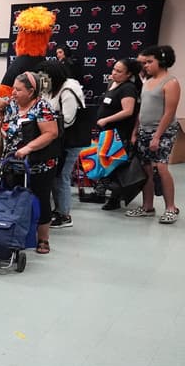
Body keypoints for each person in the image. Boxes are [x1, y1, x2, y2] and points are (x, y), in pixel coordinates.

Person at [0, 71, 61, 254]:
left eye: (18, 90)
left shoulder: (42, 107)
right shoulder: (11, 104)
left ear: (31, 91)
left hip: (39, 163)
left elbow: (51, 133)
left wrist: (29, 148)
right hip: (13, 162)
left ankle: (43, 239)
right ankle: (13, 233)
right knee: (12, 197)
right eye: (13, 89)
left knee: (40, 198)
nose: (14, 93)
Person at [126, 45, 180, 224]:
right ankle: (147, 206)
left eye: (150, 62)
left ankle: (171, 208)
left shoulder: (171, 82)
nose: (146, 66)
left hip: (163, 132)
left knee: (161, 168)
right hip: (144, 130)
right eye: (144, 62)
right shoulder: (147, 82)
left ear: (162, 61)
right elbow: (142, 110)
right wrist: (135, 131)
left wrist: (157, 136)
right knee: (146, 169)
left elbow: (169, 113)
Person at [38, 61, 88, 229]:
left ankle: (64, 214)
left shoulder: (68, 90)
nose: (42, 80)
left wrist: (46, 125)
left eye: (44, 76)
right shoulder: (50, 90)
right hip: (57, 140)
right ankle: (58, 209)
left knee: (62, 177)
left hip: (70, 141)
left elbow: (68, 119)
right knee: (55, 176)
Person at [93, 58, 142, 210]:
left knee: (115, 166)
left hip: (118, 133)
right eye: (114, 69)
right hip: (107, 132)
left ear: (129, 74)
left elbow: (128, 111)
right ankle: (102, 193)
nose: (114, 73)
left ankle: (115, 198)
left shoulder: (128, 88)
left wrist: (106, 119)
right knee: (106, 164)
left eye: (119, 71)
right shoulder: (114, 84)